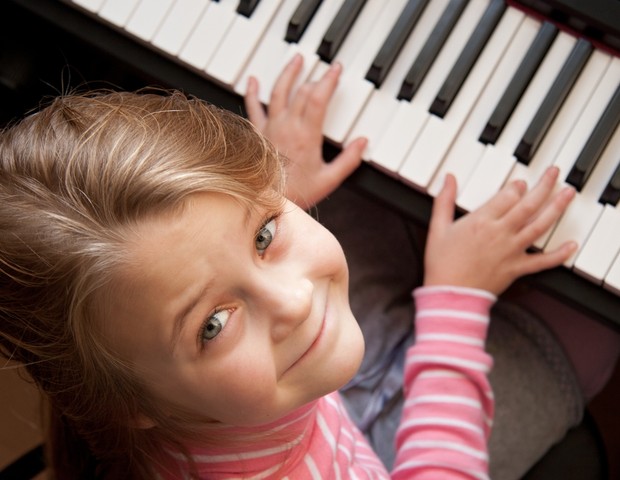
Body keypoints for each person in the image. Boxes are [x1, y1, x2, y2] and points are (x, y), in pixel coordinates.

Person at [0, 54, 581, 480]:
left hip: (310, 413)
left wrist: (280, 176)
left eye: (264, 234)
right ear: (131, 405)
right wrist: (456, 299)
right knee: (592, 333)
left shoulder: (153, 376)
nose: (295, 301)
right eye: (212, 326)